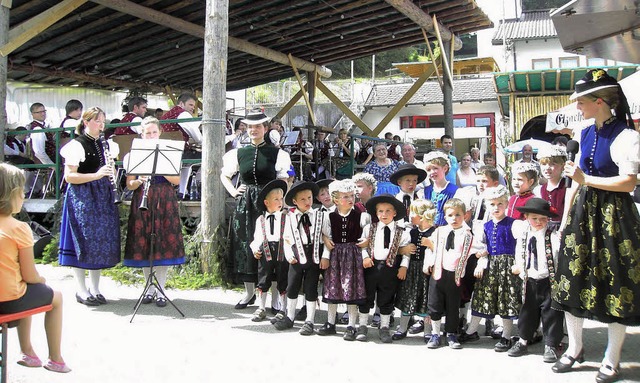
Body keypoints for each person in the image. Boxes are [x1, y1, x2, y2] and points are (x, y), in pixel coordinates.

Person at [551, 69, 640, 383]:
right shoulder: (584, 133)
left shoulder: (627, 136)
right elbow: (575, 181)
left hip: (615, 218)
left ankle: (611, 358)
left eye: (581, 102)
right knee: (572, 280)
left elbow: (630, 182)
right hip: (583, 215)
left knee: (616, 285)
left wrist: (586, 180)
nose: (577, 107)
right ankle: (575, 349)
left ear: (599, 101)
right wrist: (564, 221)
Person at [0, 163, 70, 373]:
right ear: (11, 194)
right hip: (8, 304)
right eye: (22, 190)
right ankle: (55, 359)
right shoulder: (19, 228)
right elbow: (30, 275)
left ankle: (28, 352)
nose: (24, 195)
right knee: (52, 296)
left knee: (24, 287)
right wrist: (41, 280)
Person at [221, 111, 292, 310]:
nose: (254, 130)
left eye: (258, 127)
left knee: (273, 246)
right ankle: (249, 293)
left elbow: (284, 179)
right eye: (250, 127)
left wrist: (280, 202)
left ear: (265, 129)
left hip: (269, 203)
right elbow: (224, 175)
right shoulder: (238, 152)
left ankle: (275, 297)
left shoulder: (277, 153)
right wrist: (234, 191)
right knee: (245, 245)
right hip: (245, 205)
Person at [58, 107, 121, 306]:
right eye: (97, 121)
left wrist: (111, 175)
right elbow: (69, 177)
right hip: (82, 196)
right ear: (86, 122)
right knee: (82, 241)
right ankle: (81, 289)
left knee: (100, 241)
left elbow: (111, 171)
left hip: (103, 195)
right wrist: (97, 175)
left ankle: (95, 288)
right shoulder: (76, 146)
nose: (101, 125)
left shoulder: (109, 145)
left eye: (103, 121)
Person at [122, 117, 185, 308]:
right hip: (144, 198)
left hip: (164, 199)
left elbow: (176, 181)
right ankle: (148, 289)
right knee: (144, 243)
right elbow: (129, 184)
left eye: (154, 132)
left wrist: (161, 168)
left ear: (160, 133)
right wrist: (139, 180)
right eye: (147, 133)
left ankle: (161, 290)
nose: (151, 136)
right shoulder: (133, 154)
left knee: (163, 242)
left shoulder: (169, 152)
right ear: (141, 135)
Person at [458, 185, 521, 352]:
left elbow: (520, 246)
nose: (496, 208)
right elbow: (483, 249)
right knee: (481, 298)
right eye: (492, 204)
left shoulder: (514, 224)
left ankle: (506, 336)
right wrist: (480, 261)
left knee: (506, 300)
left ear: (506, 204)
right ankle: (471, 331)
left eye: (500, 204)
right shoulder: (484, 226)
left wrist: (518, 264)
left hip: (507, 268)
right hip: (490, 268)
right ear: (487, 205)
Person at [508, 198, 564, 364]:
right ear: (526, 217)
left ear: (548, 219)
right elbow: (519, 253)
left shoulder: (553, 236)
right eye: (534, 218)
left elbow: (557, 256)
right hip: (529, 280)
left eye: (542, 219)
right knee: (527, 312)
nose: (538, 222)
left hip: (549, 280)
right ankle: (523, 340)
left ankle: (551, 344)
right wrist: (518, 266)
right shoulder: (523, 236)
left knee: (552, 313)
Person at [423, 198, 485, 349]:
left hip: (455, 276)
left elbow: (482, 250)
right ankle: (435, 333)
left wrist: (481, 262)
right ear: (444, 217)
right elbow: (431, 248)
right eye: (450, 215)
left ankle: (451, 333)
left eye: (458, 215)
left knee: (453, 307)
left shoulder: (468, 235)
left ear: (465, 216)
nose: (454, 218)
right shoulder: (439, 232)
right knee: (435, 305)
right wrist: (428, 263)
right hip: (438, 274)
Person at [355, 195, 413, 343]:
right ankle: (362, 326)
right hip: (371, 267)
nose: (384, 214)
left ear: (394, 213)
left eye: (388, 211)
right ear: (376, 213)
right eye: (380, 211)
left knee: (386, 298)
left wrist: (403, 266)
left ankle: (385, 326)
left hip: (390, 269)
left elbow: (405, 252)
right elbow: (362, 246)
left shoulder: (402, 232)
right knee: (366, 298)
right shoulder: (369, 228)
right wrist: (365, 257)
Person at [318, 180, 370, 338]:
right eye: (345, 196)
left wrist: (365, 255)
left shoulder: (361, 216)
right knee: (332, 290)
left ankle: (351, 325)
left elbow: (364, 241)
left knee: (351, 290)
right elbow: (328, 238)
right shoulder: (329, 217)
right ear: (336, 200)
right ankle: (330, 322)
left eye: (351, 196)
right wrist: (325, 257)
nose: (350, 199)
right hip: (335, 256)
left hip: (353, 257)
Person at [273, 181, 325, 335]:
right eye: (303, 199)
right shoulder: (289, 217)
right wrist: (289, 255)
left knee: (311, 288)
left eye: (309, 198)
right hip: (296, 255)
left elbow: (323, 236)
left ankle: (310, 320)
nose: (307, 202)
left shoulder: (319, 215)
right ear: (295, 202)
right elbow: (286, 237)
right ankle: (289, 316)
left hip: (313, 254)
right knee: (292, 286)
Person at [392, 199, 436, 342]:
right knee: (408, 298)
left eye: (413, 212)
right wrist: (403, 255)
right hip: (412, 269)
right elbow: (400, 250)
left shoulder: (436, 232)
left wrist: (430, 244)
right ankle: (402, 328)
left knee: (426, 300)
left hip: (427, 271)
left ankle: (428, 331)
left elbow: (441, 252)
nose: (410, 215)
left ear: (422, 215)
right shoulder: (411, 232)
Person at [250, 180, 288, 323]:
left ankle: (283, 308)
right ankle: (261, 307)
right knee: (263, 279)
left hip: (282, 251)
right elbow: (257, 238)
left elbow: (290, 235)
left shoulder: (286, 217)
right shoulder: (261, 219)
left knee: (283, 279)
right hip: (265, 251)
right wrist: (255, 249)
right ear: (266, 202)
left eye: (281, 199)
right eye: (276, 199)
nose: (280, 202)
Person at [534, 145, 567, 230]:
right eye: (544, 164)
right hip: (545, 230)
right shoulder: (539, 190)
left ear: (562, 166)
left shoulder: (567, 187)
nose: (547, 168)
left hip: (563, 228)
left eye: (553, 164)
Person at [422, 151, 458, 227]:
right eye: (428, 170)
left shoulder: (456, 191)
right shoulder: (424, 192)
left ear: (445, 168)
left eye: (435, 168)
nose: (432, 172)